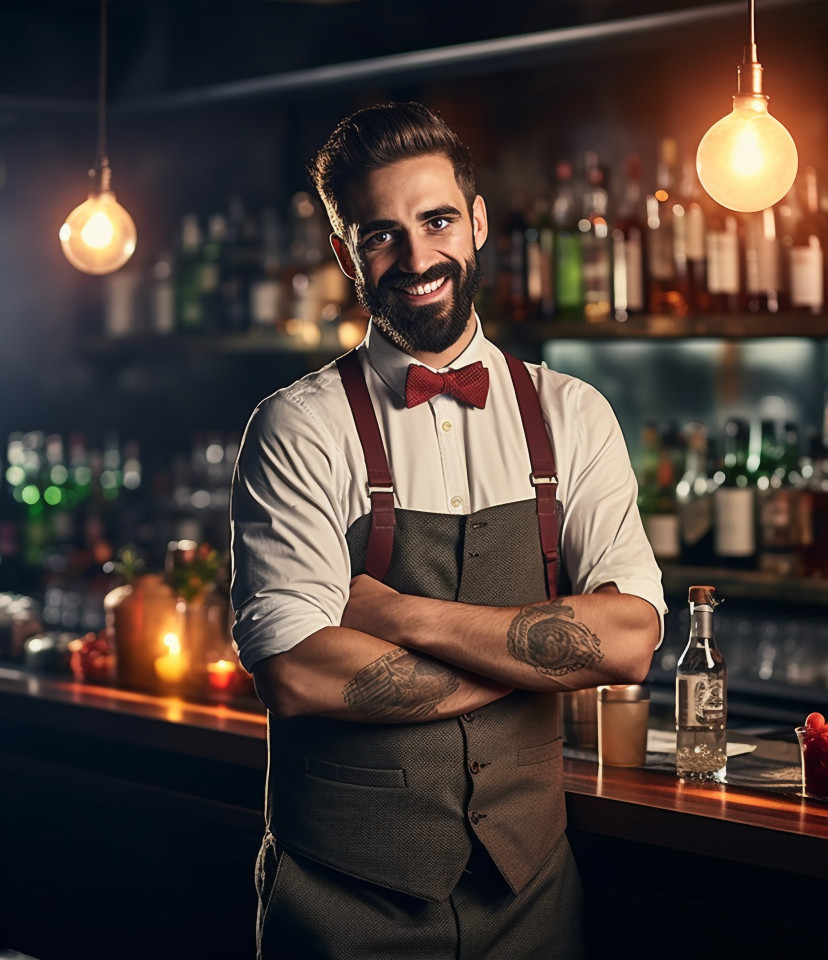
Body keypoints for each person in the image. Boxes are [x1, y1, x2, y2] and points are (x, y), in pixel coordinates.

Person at [230, 101, 666, 960]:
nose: (418, 257)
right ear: (345, 252)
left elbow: (629, 640)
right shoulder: (297, 428)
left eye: (436, 221)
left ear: (477, 222)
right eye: (381, 234)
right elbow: (298, 672)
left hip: (534, 901)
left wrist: (400, 617)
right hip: (342, 906)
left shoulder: (572, 415)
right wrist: (534, 664)